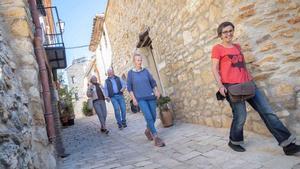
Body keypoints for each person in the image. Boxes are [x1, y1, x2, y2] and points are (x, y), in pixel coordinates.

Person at [211, 21, 300, 155]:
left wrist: (250, 79)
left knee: (267, 111)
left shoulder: (238, 46)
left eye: (230, 31)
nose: (228, 34)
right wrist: (221, 86)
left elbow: (243, 66)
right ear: (220, 34)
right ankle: (234, 141)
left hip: (249, 84)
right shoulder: (217, 48)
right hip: (232, 87)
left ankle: (288, 145)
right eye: (225, 32)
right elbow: (215, 68)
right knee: (240, 116)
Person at [127, 53, 165, 147]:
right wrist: (134, 98)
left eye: (140, 60)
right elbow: (129, 87)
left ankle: (148, 130)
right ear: (134, 61)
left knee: (153, 116)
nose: (140, 62)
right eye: (138, 60)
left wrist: (156, 90)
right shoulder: (131, 73)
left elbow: (152, 82)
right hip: (140, 99)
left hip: (150, 96)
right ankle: (156, 137)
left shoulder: (145, 71)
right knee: (148, 116)